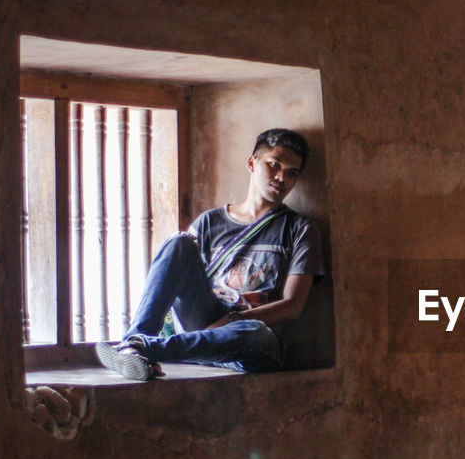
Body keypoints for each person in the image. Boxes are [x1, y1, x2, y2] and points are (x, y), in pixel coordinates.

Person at [95, 128, 325, 380]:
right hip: (203, 327)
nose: (281, 178)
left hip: (251, 343)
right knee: (178, 243)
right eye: (274, 165)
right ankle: (135, 344)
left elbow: (292, 306)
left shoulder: (300, 229)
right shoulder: (209, 222)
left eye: (292, 173)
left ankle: (145, 349)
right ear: (252, 163)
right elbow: (180, 275)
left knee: (255, 332)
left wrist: (233, 319)